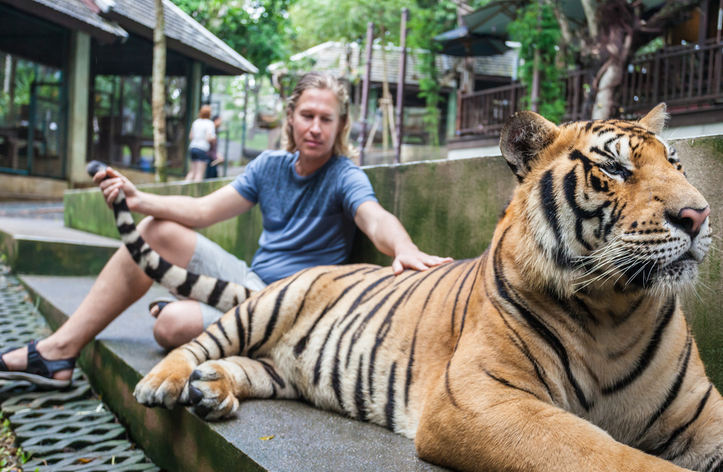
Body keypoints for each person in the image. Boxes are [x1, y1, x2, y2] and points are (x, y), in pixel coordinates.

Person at [0, 72, 451, 389]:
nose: (315, 128)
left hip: (291, 310)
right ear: (291, 117)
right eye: (307, 115)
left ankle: (195, 306)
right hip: (248, 283)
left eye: (326, 119)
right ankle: (59, 350)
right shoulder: (269, 166)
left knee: (170, 327)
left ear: (340, 126)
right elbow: (200, 210)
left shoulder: (344, 175)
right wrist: (138, 200)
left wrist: (404, 247)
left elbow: (373, 217)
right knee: (157, 229)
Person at [186, 105, 216, 182]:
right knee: (199, 173)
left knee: (192, 171)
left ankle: (183, 191)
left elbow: (191, 136)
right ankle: (196, 193)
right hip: (202, 149)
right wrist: (213, 138)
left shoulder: (196, 122)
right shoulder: (209, 123)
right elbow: (208, 137)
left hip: (193, 147)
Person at [204, 115, 224, 179]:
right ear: (215, 120)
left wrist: (217, 155)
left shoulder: (214, 130)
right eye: (220, 120)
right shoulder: (210, 129)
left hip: (212, 157)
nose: (221, 122)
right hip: (209, 157)